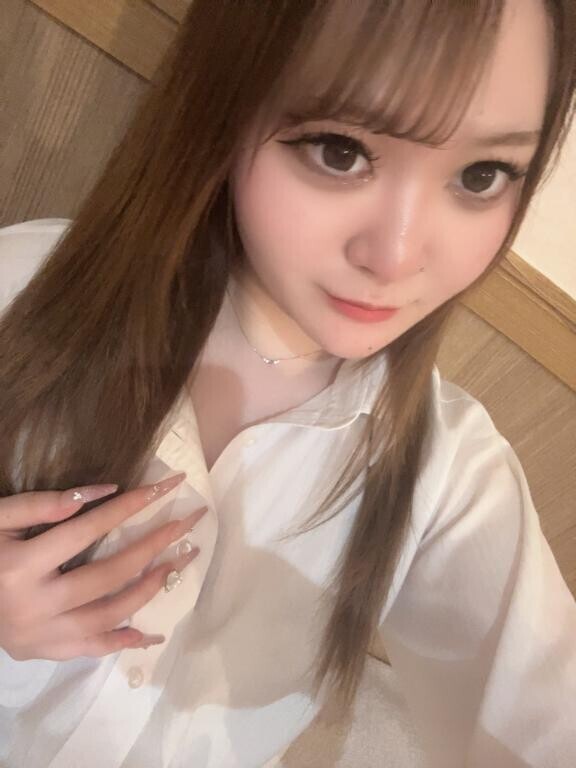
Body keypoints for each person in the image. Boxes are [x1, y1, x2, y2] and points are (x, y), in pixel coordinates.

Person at [0, 0, 575, 766]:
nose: (396, 255)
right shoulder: (22, 288)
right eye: (340, 151)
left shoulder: (448, 480)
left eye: (481, 175)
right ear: (226, 105)